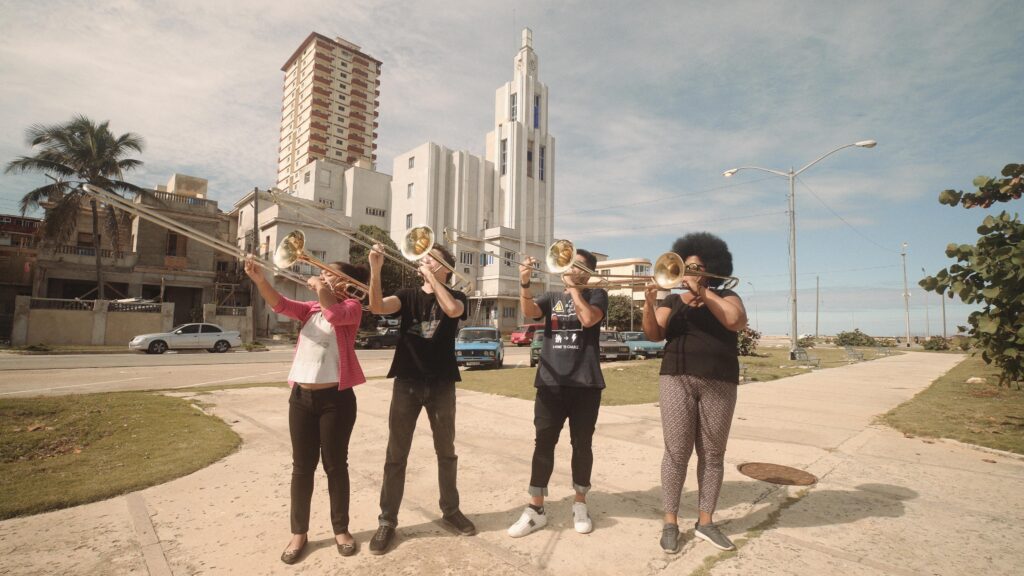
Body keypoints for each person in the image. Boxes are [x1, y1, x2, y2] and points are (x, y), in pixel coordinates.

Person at [244, 256, 368, 564]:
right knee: (302, 468)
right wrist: (261, 280)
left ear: (346, 284)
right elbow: (281, 304)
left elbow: (335, 314)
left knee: (336, 466)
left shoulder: (352, 309)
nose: (322, 277)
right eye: (322, 273)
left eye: (330, 274)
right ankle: (299, 533)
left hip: (335, 401)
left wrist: (320, 288)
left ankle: (341, 529)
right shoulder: (312, 309)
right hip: (301, 398)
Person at [366, 242, 476, 554]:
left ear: (446, 268)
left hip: (442, 384)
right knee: (396, 454)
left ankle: (451, 510)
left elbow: (452, 311)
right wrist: (375, 268)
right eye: (424, 257)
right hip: (407, 382)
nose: (424, 260)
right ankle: (387, 520)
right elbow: (376, 307)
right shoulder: (406, 295)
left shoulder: (457, 297)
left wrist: (435, 280)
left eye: (432, 258)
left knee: (446, 452)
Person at [642, 232, 747, 554]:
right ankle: (670, 522)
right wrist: (649, 302)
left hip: (720, 380)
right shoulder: (672, 301)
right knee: (676, 453)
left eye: (697, 268)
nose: (690, 272)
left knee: (713, 456)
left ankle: (705, 522)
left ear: (711, 269)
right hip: (676, 378)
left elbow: (735, 321)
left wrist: (703, 290)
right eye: (686, 267)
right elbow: (653, 335)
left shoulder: (728, 295)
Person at [508, 248, 608, 538]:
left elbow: (589, 319)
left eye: (577, 265)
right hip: (550, 383)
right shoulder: (552, 297)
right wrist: (525, 283)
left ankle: (580, 503)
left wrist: (575, 289)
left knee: (582, 444)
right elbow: (528, 312)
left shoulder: (597, 294)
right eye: (569, 263)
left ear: (587, 272)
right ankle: (535, 509)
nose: (570, 268)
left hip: (586, 384)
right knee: (543, 444)